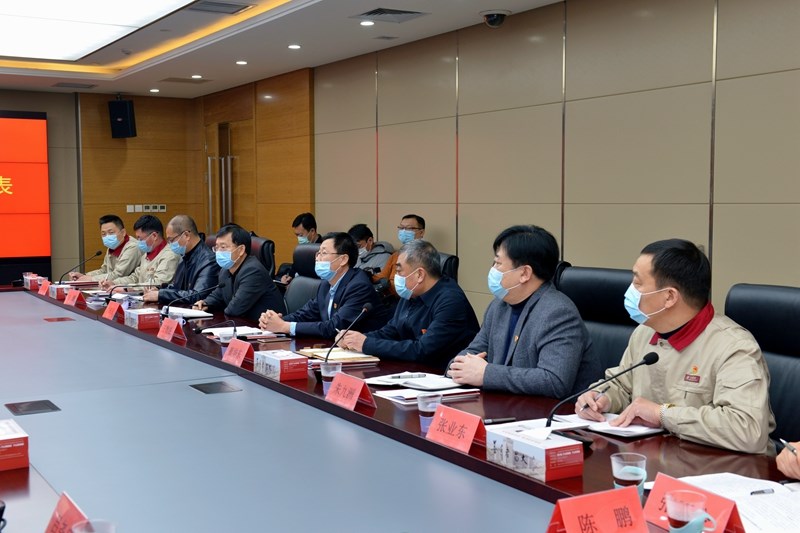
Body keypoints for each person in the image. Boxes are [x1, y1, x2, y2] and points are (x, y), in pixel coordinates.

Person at [576, 238, 775, 454]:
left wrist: (662, 414)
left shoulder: (733, 347)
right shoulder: (645, 331)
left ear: (669, 296)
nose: (630, 291)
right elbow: (623, 386)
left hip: (723, 466)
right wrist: (600, 397)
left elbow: (747, 429)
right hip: (661, 457)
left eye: (638, 283)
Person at [446, 225, 598, 398]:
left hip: (549, 411)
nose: (493, 269)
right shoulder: (498, 307)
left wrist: (486, 373)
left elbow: (554, 381)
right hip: (504, 404)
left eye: (498, 263)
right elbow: (472, 352)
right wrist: (458, 367)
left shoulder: (558, 313)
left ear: (525, 273)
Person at [338, 240, 479, 369]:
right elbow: (391, 331)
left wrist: (366, 344)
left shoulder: (451, 301)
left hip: (443, 376)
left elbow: (422, 350)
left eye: (399, 271)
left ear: (419, 275)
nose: (395, 277)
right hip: (411, 371)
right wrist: (354, 339)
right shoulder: (411, 292)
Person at [259, 232, 391, 338]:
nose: (317, 258)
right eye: (318, 253)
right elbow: (307, 313)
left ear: (343, 259)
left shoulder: (359, 286)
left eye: (323, 253)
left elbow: (335, 327)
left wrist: (285, 327)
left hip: (367, 355)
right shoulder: (326, 283)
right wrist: (275, 321)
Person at [193, 224, 283, 321]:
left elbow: (234, 310)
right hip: (243, 324)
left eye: (223, 247)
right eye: (216, 247)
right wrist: (205, 303)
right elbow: (218, 294)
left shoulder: (253, 271)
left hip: (265, 327)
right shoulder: (226, 270)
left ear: (241, 250)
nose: (218, 252)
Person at [143, 215, 219, 306]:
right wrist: (159, 290)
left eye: (171, 240)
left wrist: (161, 295)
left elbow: (197, 296)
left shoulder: (209, 261)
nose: (170, 244)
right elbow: (177, 287)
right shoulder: (185, 256)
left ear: (186, 235)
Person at [99, 214, 179, 290]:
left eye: (140, 238)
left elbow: (157, 284)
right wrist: (114, 283)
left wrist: (128, 289)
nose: (138, 242)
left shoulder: (170, 255)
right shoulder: (147, 254)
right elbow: (135, 277)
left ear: (154, 236)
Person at [69, 214, 141, 282]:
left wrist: (91, 279)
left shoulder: (132, 247)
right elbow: (104, 270)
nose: (107, 237)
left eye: (111, 232)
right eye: (103, 234)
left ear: (123, 232)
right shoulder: (113, 247)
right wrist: (84, 276)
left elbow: (118, 274)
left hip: (130, 288)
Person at [372, 214, 426, 298]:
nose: (404, 231)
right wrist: (366, 276)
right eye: (401, 228)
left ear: (421, 232)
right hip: (390, 298)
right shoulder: (396, 255)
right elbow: (381, 276)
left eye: (409, 228)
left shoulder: (425, 256)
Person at [280, 212, 322, 284]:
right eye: (297, 235)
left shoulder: (323, 249)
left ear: (312, 231)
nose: (299, 238)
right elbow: (294, 269)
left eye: (300, 235)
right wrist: (288, 277)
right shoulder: (301, 249)